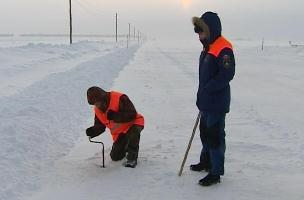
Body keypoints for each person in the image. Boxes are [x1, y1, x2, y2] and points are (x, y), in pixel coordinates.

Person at [190, 12, 235, 186]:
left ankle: (215, 172)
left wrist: (208, 89)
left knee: (215, 136)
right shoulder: (208, 46)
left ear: (210, 30)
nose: (199, 36)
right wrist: (202, 95)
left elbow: (227, 74)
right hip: (206, 101)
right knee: (205, 134)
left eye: (201, 32)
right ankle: (206, 162)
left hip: (217, 102)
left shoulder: (223, 48)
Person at [86, 86, 144, 168]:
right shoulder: (98, 110)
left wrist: (115, 116)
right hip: (120, 133)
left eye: (98, 102)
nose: (97, 105)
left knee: (133, 133)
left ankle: (131, 158)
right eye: (94, 103)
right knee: (115, 157)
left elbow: (132, 115)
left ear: (103, 98)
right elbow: (100, 126)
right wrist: (93, 131)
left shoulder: (120, 98)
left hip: (134, 124)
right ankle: (126, 144)